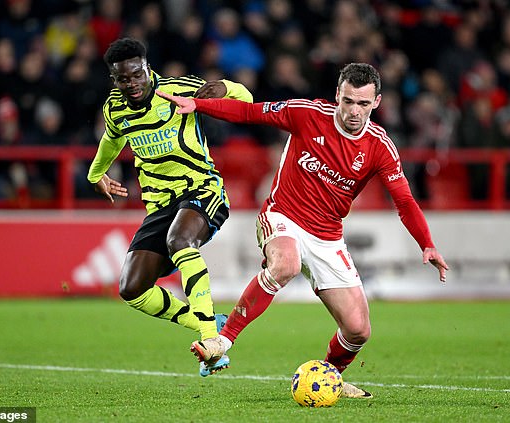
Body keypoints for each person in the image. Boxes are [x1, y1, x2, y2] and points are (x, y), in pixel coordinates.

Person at [157, 63, 449, 397]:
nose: (355, 111)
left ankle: (331, 376)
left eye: (363, 104)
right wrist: (199, 105)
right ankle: (223, 340)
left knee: (358, 330)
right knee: (286, 265)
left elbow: (405, 201)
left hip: (327, 235)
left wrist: (426, 244)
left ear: (377, 102)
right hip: (282, 216)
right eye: (349, 101)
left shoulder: (379, 146)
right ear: (337, 94)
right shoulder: (306, 114)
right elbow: (251, 114)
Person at [87, 37, 253, 375]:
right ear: (114, 79)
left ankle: (212, 343)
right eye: (123, 79)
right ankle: (209, 323)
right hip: (160, 204)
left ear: (147, 68)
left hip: (203, 190)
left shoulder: (180, 89)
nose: (132, 84)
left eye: (137, 75)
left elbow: (246, 99)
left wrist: (224, 86)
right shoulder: (114, 108)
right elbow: (111, 139)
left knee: (180, 241)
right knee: (131, 289)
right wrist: (96, 174)